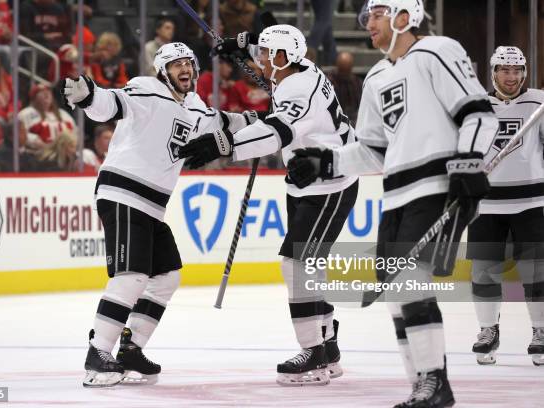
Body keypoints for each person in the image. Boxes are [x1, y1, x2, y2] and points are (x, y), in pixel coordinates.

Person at [284, 1, 499, 406]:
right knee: (396, 297)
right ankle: (421, 385)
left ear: (406, 17)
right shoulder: (377, 76)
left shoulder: (437, 51)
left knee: (408, 283)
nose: (369, 23)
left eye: (379, 14)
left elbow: (478, 112)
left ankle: (436, 384)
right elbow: (372, 151)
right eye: (368, 16)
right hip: (397, 195)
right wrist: (325, 162)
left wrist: (469, 164)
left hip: (436, 185)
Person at [61, 42, 259, 387]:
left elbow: (223, 121)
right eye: (176, 64)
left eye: (189, 63)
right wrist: (88, 95)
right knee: (132, 275)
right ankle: (98, 353)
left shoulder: (196, 107)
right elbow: (111, 103)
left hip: (151, 204)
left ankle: (130, 349)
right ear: (162, 71)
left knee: (166, 276)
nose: (185, 69)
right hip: (122, 192)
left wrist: (263, 119)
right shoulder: (147, 89)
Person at [179, 24, 358, 386]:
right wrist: (241, 45)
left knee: (297, 265)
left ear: (280, 58)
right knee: (308, 267)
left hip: (329, 184)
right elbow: (270, 41)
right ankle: (327, 345)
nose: (259, 60)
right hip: (307, 181)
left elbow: (276, 133)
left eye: (264, 54)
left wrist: (221, 144)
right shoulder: (299, 68)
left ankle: (314, 352)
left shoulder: (297, 87)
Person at [467, 46, 544, 367]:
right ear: (493, 71)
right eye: (504, 70)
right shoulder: (477, 106)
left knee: (537, 273)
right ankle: (488, 330)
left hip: (531, 200)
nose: (511, 77)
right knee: (483, 272)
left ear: (524, 72)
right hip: (487, 203)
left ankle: (540, 331)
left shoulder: (539, 103)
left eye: (517, 71)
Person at [18, 83, 75, 151]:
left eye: (48, 92)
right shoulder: (26, 114)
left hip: (64, 153)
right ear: (34, 98)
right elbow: (20, 134)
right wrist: (34, 141)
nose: (46, 94)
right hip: (37, 154)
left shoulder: (63, 114)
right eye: (41, 92)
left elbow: (76, 133)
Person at [328, 52, 362, 125]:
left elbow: (360, 105)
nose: (344, 76)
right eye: (343, 71)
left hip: (354, 119)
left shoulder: (357, 82)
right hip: (334, 120)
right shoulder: (330, 83)